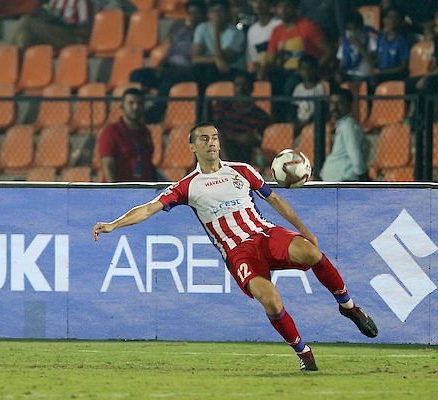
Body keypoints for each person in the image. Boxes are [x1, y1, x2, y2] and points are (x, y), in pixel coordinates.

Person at [92, 121, 378, 371]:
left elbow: (274, 200)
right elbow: (149, 208)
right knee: (271, 300)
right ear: (192, 146)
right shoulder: (187, 186)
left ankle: (349, 307)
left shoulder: (242, 171)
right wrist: (114, 224)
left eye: (214, 137)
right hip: (238, 251)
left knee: (313, 253)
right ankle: (304, 353)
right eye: (204, 138)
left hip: (265, 234)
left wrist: (306, 231)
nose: (211, 142)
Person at [130, 0, 207, 122]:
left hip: (188, 72)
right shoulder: (182, 32)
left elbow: (195, 61)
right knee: (137, 75)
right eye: (190, 13)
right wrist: (161, 65)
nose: (193, 17)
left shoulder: (205, 34)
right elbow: (170, 53)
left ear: (204, 15)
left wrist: (170, 69)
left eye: (196, 13)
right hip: (169, 68)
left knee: (168, 80)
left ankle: (155, 113)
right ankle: (136, 108)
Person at [97, 88, 156, 182]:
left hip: (143, 191)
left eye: (139, 103)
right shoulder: (111, 131)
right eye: (131, 103)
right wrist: (115, 191)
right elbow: (108, 165)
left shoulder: (145, 132)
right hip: (121, 191)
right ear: (122, 106)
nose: (135, 107)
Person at [211, 72, 271, 164]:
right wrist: (237, 137)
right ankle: (228, 168)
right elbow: (214, 130)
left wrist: (232, 136)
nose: (240, 89)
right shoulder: (222, 106)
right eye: (237, 85)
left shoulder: (260, 115)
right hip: (219, 147)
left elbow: (254, 139)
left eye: (244, 85)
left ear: (251, 89)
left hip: (244, 151)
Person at [191, 0, 246, 92]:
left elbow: (224, 58)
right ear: (208, 14)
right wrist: (216, 60)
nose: (216, 16)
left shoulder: (237, 34)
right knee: (173, 76)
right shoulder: (202, 28)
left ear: (227, 13)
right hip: (206, 69)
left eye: (220, 11)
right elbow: (195, 58)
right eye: (213, 12)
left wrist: (216, 30)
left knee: (209, 71)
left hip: (231, 70)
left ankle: (206, 104)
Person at [321, 89, 369, 182]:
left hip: (342, 181)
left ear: (350, 105)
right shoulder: (343, 125)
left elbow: (355, 154)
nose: (334, 107)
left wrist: (362, 176)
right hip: (337, 180)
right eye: (332, 103)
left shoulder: (348, 125)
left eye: (340, 103)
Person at [12, 0, 93, 49]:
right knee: (26, 31)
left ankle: (14, 57)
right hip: (54, 33)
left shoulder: (81, 2)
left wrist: (67, 22)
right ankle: (17, 58)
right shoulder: (54, 1)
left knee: (28, 21)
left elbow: (85, 31)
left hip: (72, 38)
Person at [369, 8, 410, 88]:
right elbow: (376, 58)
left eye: (394, 18)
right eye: (388, 17)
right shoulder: (380, 38)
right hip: (380, 74)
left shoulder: (402, 41)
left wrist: (383, 72)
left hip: (394, 76)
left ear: (399, 21)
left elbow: (403, 67)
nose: (390, 20)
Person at [336, 11, 378, 82]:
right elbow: (342, 62)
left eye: (353, 29)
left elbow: (373, 62)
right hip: (348, 73)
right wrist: (338, 73)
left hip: (363, 75)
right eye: (348, 29)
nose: (351, 32)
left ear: (360, 28)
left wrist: (359, 46)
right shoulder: (345, 41)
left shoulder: (370, 38)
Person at [292, 55, 328, 132]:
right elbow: (294, 107)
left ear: (316, 69)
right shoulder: (298, 88)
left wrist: (307, 122)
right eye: (304, 69)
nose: (307, 71)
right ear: (299, 70)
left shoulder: (320, 87)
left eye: (310, 68)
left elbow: (322, 108)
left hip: (314, 121)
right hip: (299, 121)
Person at [246, 0, 282, 75]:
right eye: (256, 3)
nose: (258, 5)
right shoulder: (252, 30)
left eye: (261, 2)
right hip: (260, 71)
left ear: (269, 6)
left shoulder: (279, 24)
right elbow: (253, 58)